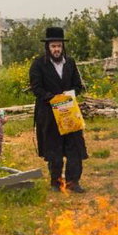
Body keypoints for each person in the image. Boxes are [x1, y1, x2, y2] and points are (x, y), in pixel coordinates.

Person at [28, 26, 88, 191]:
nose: (56, 49)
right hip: (49, 113)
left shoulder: (70, 63)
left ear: (63, 47)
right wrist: (53, 98)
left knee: (74, 147)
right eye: (53, 46)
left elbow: (78, 85)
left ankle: (73, 182)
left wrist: (68, 95)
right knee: (53, 148)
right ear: (48, 47)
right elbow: (36, 88)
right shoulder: (38, 64)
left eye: (59, 46)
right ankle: (56, 182)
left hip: (69, 111)